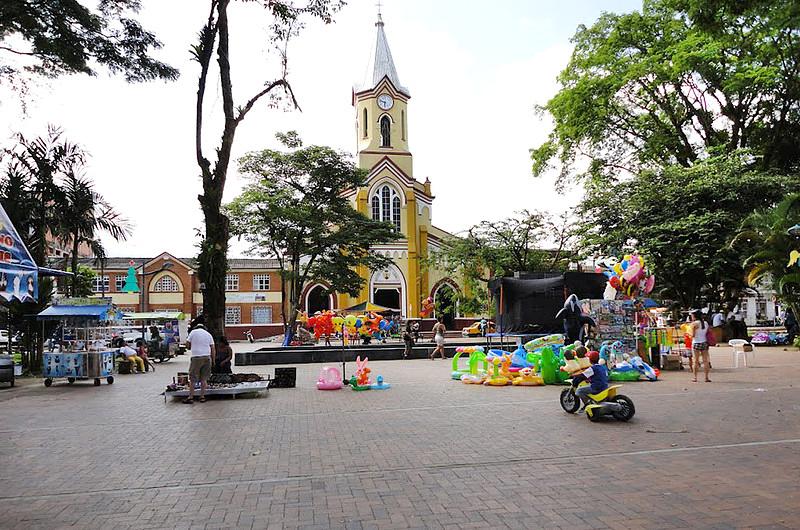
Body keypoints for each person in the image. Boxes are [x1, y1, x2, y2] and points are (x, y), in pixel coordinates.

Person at [185, 323, 215, 403]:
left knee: (193, 378)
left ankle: (191, 397)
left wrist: (190, 347)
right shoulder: (208, 334)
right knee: (204, 378)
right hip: (207, 357)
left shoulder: (193, 332)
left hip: (196, 357)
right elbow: (213, 348)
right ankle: (202, 397)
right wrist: (213, 360)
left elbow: (187, 344)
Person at [689, 310, 711, 383]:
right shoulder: (705, 323)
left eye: (692, 315)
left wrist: (688, 334)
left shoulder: (694, 324)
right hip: (704, 342)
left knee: (695, 361)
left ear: (695, 316)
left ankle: (695, 377)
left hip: (696, 343)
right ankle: (706, 377)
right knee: (706, 361)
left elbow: (693, 335)